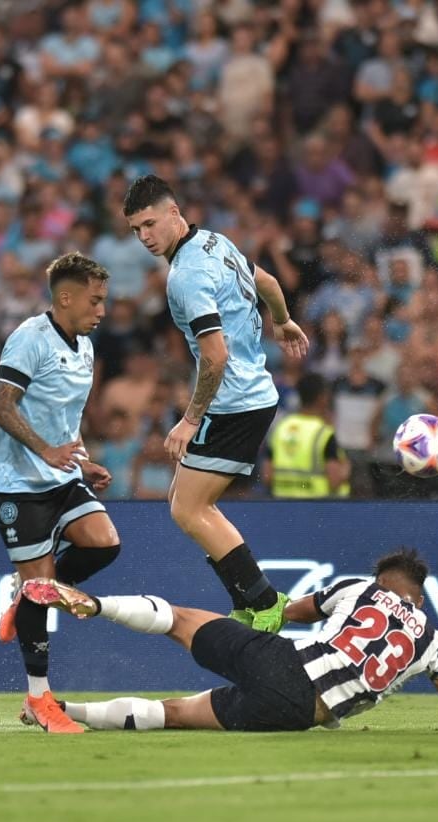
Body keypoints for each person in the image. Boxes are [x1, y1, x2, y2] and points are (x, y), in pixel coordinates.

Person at [18, 548, 438, 733]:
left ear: (384, 580)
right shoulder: (433, 643)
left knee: (178, 619)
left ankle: (93, 604)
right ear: (418, 597)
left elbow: (284, 613)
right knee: (176, 714)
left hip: (282, 662)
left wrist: (252, 615)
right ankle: (66, 712)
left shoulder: (362, 588)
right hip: (297, 714)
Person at [122, 175, 309, 632]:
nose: (145, 237)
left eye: (149, 224)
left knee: (188, 509)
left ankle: (265, 602)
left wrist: (189, 420)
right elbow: (263, 279)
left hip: (235, 403)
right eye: (135, 230)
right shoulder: (214, 242)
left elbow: (215, 355)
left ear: (173, 212)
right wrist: (282, 320)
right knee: (185, 504)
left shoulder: (185, 277)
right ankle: (249, 600)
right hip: (250, 396)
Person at [0, 253, 122, 734]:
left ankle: (27, 598)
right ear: (66, 297)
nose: (102, 309)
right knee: (42, 590)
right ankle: (38, 700)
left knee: (104, 542)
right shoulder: (29, 338)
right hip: (16, 484)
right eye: (95, 299)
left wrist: (82, 461)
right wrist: (45, 451)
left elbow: (63, 421)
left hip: (60, 476)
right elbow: (2, 407)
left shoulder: (84, 347)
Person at [265, 372, 350, 498]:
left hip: (282, 505)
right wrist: (346, 469)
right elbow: (334, 481)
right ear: (323, 398)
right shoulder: (323, 433)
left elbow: (267, 476)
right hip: (317, 508)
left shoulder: (281, 428)